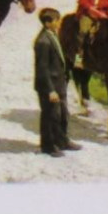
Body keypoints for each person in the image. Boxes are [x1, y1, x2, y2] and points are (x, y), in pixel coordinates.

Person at [33, 8, 77, 157]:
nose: (59, 23)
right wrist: (50, 90)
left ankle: (62, 140)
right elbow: (42, 68)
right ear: (47, 23)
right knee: (49, 115)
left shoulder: (52, 35)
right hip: (49, 85)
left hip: (59, 82)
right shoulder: (43, 42)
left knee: (63, 113)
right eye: (56, 20)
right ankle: (48, 146)